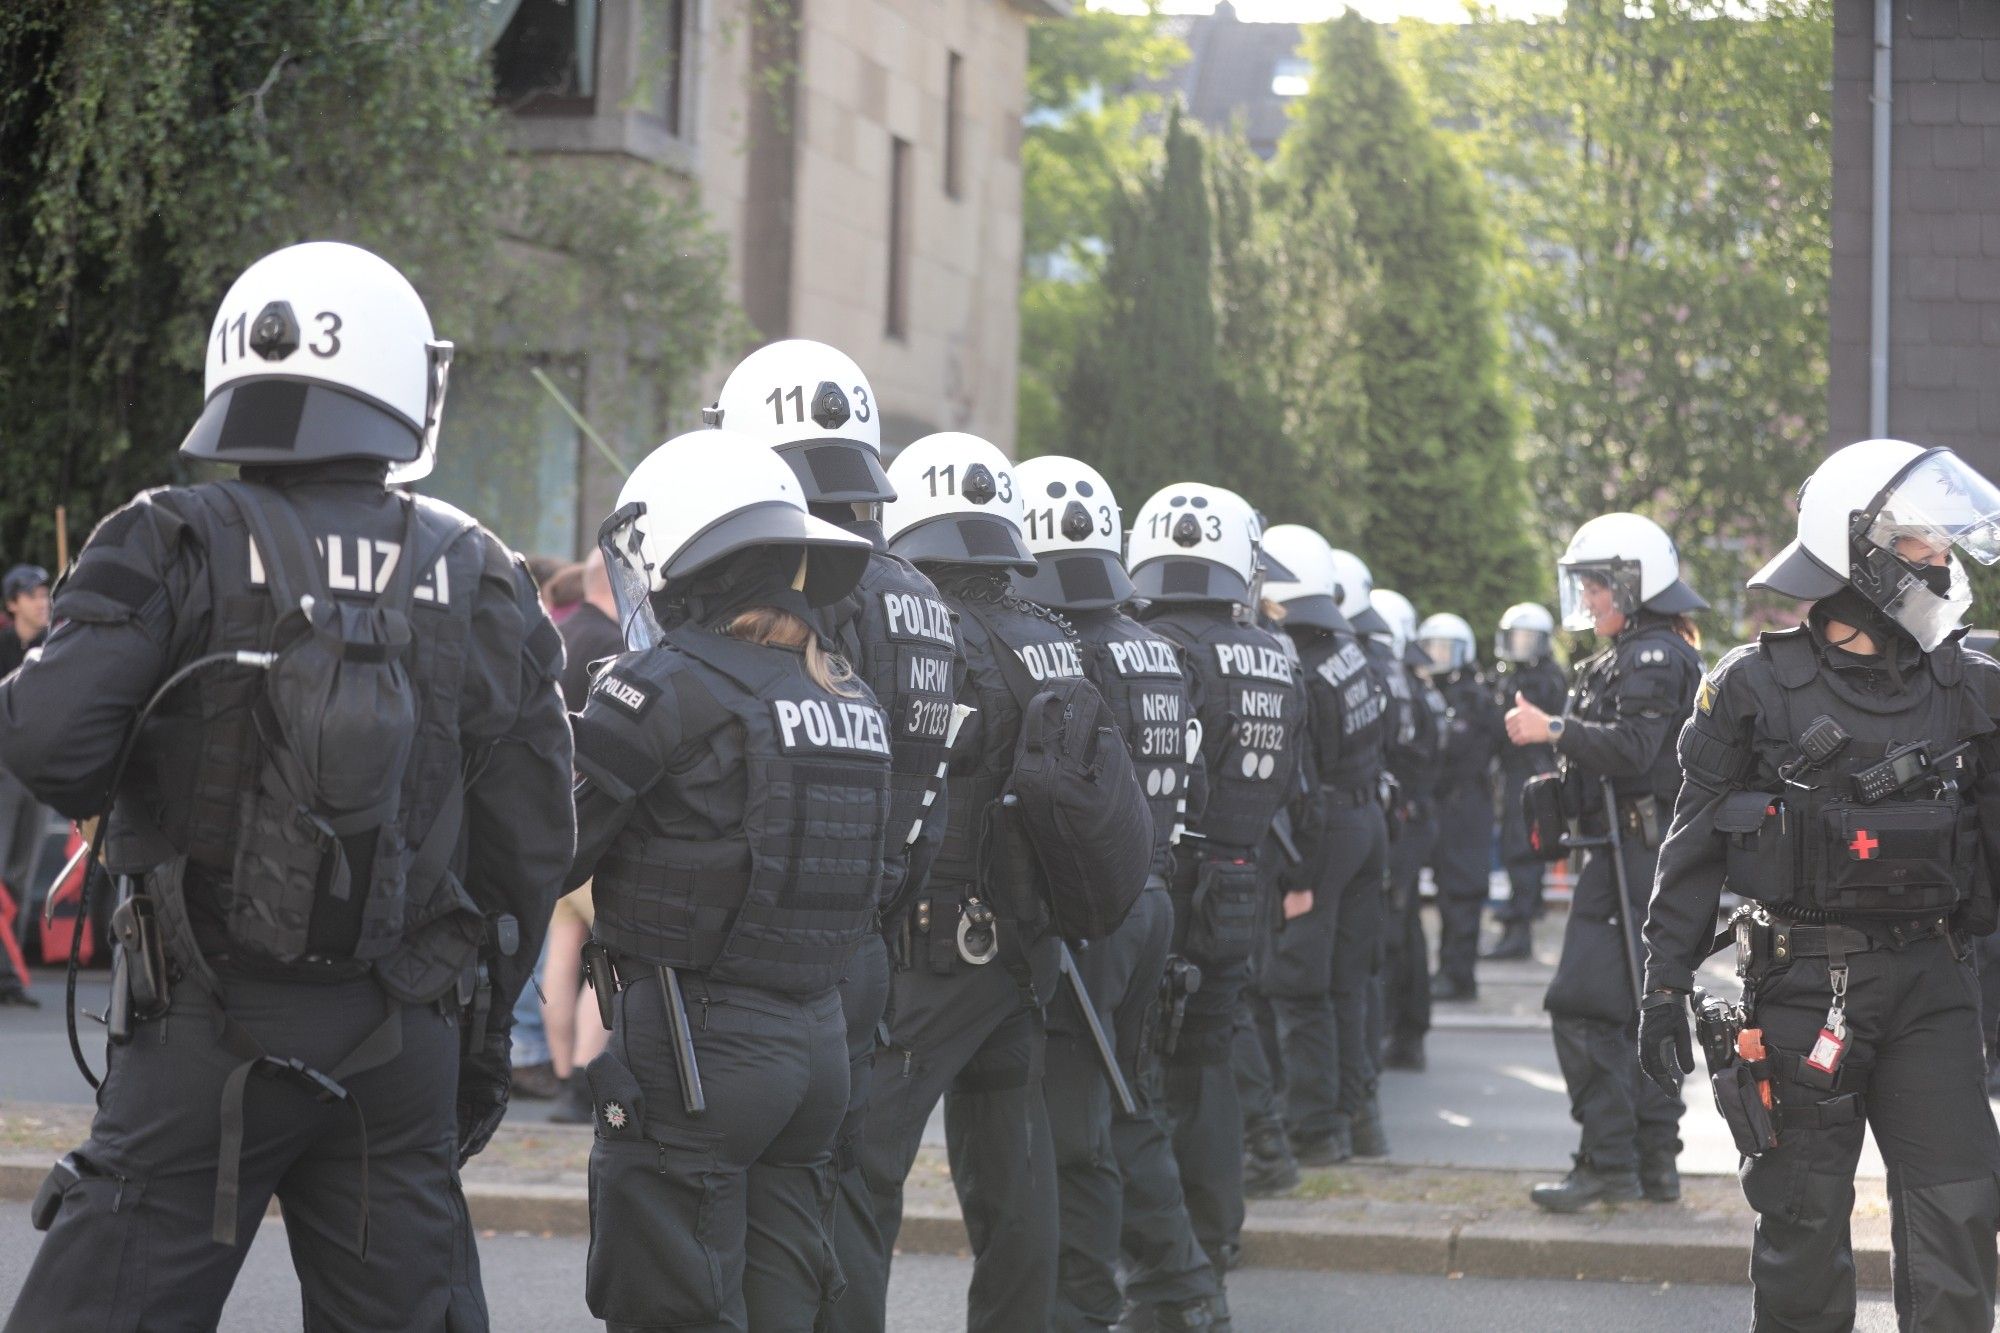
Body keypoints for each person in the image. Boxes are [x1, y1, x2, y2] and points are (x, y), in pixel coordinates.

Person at [0, 241, 575, 1331]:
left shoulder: (170, 534)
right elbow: (537, 831)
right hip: (402, 1029)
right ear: (400, 380)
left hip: (198, 1028)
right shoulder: (479, 567)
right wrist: (476, 1027)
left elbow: (47, 744)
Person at [1640, 439, 2000, 1330]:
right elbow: (1691, 848)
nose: (1942, 559)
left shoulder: (1971, 688)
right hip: (1804, 989)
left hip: (1932, 981)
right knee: (1801, 1232)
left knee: (1960, 1219)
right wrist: (1662, 982)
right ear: (1856, 551)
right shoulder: (1753, 688)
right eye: (1921, 540)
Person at [566, 431, 886, 1331]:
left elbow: (553, 846)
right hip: (818, 1048)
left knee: (669, 1307)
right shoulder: (848, 695)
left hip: (698, 1051)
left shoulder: (663, 684)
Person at [706, 339, 964, 1329]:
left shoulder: (816, 587)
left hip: (774, 950)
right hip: (871, 934)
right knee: (838, 1191)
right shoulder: (922, 594)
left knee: (748, 1216)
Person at [833, 431, 1074, 1333]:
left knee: (857, 1171)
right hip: (1026, 951)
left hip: (934, 952)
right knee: (1016, 1182)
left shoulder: (927, 630)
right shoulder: (1050, 638)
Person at [1011, 456, 1218, 1332]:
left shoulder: (1077, 647)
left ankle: (1082, 1305)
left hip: (1098, 912)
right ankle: (1179, 1287)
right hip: (1155, 895)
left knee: (1076, 1125)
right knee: (1123, 1099)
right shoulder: (1154, 645)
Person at [1128, 486, 1308, 1307]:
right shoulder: (1275, 652)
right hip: (1242, 876)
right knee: (1209, 1062)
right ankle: (1218, 1228)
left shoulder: (1160, 647)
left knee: (1152, 1073)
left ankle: (1171, 1252)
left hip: (1176, 876)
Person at [1504, 511, 1702, 1212]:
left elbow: (1633, 750)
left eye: (1596, 587)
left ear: (1633, 585)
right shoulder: (1635, 653)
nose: (1587, 601)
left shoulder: (1652, 657)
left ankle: (1609, 1161)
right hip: (1636, 853)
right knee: (1639, 1012)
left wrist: (1554, 727)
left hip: (1635, 855)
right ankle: (1653, 1165)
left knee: (1585, 1008)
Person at [1258, 533, 1392, 1166]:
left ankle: (1316, 1132)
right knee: (1347, 984)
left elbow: (1303, 786)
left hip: (1328, 835)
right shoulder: (1348, 651)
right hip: (1367, 824)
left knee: (1302, 988)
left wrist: (1299, 876)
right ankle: (1361, 1121)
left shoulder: (1302, 668)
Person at [1368, 589, 1443, 1071]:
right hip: (1415, 819)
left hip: (1405, 823)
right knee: (1407, 924)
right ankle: (1406, 1029)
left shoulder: (1403, 689)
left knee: (1396, 929)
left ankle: (1402, 1030)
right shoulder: (1421, 689)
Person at [1418, 613, 1504, 1003]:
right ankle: (1450, 970)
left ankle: (1458, 975)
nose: (1437, 658)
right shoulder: (1437, 693)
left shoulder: (1474, 697)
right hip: (1448, 807)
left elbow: (1458, 751)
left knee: (1463, 893)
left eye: (1445, 650)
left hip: (1466, 806)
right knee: (1448, 893)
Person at [1484, 603, 1564, 961]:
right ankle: (1515, 929)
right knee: (1515, 850)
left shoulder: (1543, 678)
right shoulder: (1514, 675)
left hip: (1532, 772)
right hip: (1516, 771)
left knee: (1524, 850)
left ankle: (1520, 933)